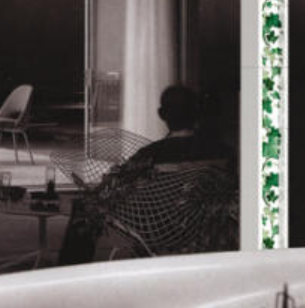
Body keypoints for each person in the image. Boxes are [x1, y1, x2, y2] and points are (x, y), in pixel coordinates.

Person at [59, 84, 235, 265]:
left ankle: (70, 271)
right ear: (197, 113)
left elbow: (112, 189)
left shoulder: (150, 155)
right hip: (207, 234)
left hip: (161, 231)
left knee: (86, 208)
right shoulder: (225, 153)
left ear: (162, 114)